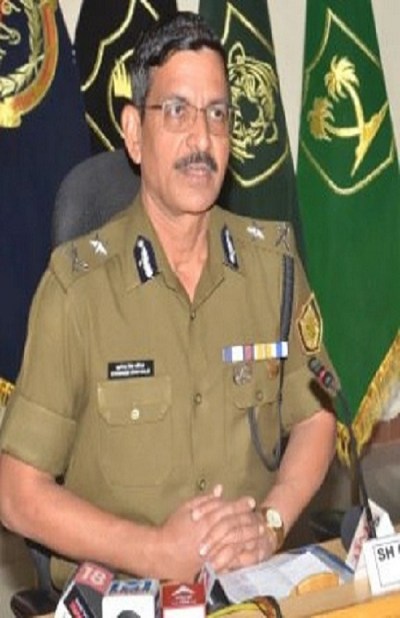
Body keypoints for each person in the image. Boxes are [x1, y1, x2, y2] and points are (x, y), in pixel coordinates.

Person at [0, 12, 336, 590]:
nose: (201, 140)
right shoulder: (76, 289)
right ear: (134, 133)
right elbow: (16, 493)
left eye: (217, 114)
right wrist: (155, 551)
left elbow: (315, 416)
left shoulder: (274, 266)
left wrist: (272, 522)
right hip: (125, 591)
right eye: (177, 111)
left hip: (247, 588)